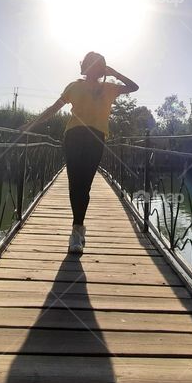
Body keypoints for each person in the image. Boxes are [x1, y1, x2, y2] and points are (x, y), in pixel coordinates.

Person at [19, 52, 138, 253]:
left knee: (85, 185)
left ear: (102, 68)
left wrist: (115, 73)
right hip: (73, 137)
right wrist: (31, 125)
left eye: (98, 65)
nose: (93, 67)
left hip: (96, 139)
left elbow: (134, 87)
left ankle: (79, 228)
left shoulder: (109, 88)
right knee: (75, 184)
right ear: (85, 66)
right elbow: (54, 108)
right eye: (90, 64)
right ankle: (76, 231)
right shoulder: (74, 86)